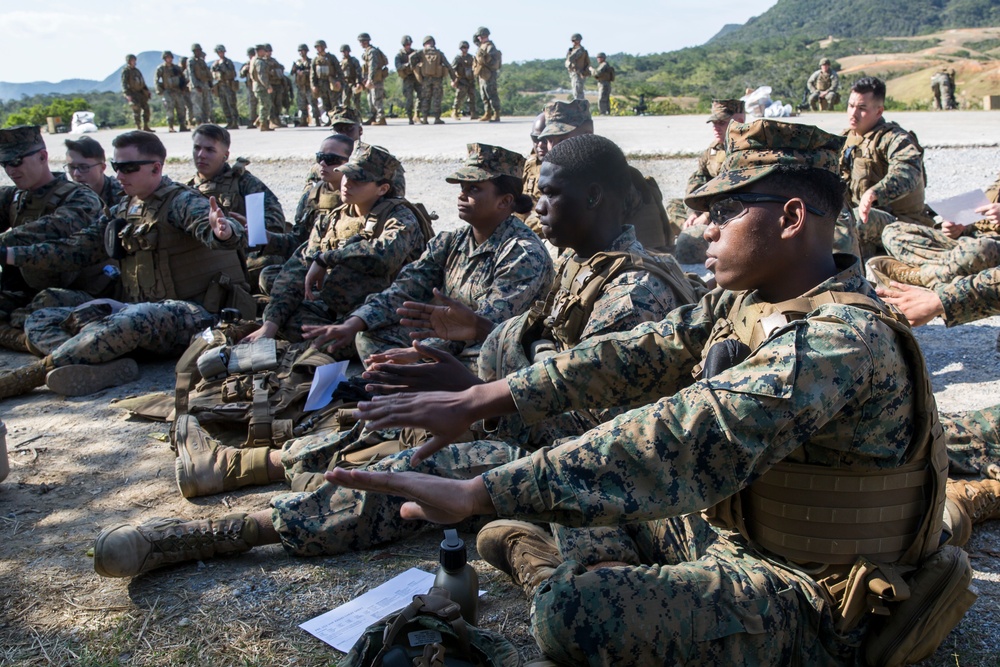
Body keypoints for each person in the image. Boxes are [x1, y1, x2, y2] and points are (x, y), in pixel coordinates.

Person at [324, 119, 987, 665]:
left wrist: (481, 491)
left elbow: (678, 434)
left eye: (723, 212)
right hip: (742, 531)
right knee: (584, 494)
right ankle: (577, 559)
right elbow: (635, 354)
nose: (701, 228)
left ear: (790, 217)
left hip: (815, 592)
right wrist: (487, 396)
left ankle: (555, 571)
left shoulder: (840, 340)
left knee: (569, 613)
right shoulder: (754, 303)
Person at [0, 131, 249, 399]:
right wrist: (9, 255)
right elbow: (76, 250)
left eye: (129, 168)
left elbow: (214, 228)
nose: (120, 175)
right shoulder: (123, 208)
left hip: (197, 316)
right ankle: (102, 361)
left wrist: (224, 231)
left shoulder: (181, 201)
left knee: (135, 317)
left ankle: (27, 377)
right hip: (134, 312)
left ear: (156, 168)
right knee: (42, 316)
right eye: (117, 167)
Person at [299, 143, 553, 370]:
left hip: (492, 349)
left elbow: (488, 324)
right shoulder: (451, 240)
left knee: (476, 360)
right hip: (448, 336)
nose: (462, 195)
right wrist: (354, 322)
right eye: (462, 187)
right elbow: (404, 288)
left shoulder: (521, 253)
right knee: (369, 335)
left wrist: (420, 352)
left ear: (505, 201)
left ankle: (415, 388)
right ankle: (406, 383)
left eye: (474, 188)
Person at [242, 141, 426, 351]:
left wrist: (327, 258)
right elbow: (297, 269)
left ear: (382, 189)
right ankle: (329, 341)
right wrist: (269, 326)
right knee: (283, 317)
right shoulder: (332, 218)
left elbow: (383, 257)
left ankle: (331, 343)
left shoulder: (401, 217)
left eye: (359, 179)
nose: (347, 183)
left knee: (366, 340)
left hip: (384, 312)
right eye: (346, 175)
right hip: (337, 307)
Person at [0, 126, 105, 352]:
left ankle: (67, 350)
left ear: (43, 156)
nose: (10, 169)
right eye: (4, 163)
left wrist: (4, 244)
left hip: (79, 293)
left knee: (38, 309)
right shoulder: (16, 197)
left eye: (16, 161)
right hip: (31, 291)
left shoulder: (79, 197)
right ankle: (26, 341)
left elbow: (47, 230)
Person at [532, 99, 674, 253]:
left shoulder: (612, 175)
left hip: (631, 259)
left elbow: (647, 248)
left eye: (561, 139)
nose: (552, 147)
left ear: (587, 133)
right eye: (549, 140)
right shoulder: (557, 171)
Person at [185, 124, 290, 285]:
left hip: (242, 256)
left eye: (209, 150)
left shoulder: (244, 183)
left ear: (225, 155)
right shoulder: (187, 190)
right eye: (197, 148)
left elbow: (275, 223)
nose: (201, 155)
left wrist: (250, 229)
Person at [840, 76, 932, 259]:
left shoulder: (894, 139)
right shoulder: (846, 138)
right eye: (851, 106)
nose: (853, 113)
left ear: (879, 111)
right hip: (865, 217)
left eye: (862, 108)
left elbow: (908, 171)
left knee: (852, 221)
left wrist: (876, 193)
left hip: (900, 223)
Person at [867, 174, 1000, 288]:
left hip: (986, 249)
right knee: (893, 232)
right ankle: (948, 274)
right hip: (969, 243)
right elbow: (980, 214)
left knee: (980, 250)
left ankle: (917, 277)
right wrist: (959, 228)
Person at [669, 99, 746, 264]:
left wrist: (705, 215)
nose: (716, 128)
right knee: (673, 205)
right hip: (707, 207)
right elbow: (698, 178)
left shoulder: (745, 151)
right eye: (714, 123)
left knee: (689, 246)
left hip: (730, 209)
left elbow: (733, 191)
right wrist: (693, 211)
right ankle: (691, 228)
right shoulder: (714, 148)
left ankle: (697, 233)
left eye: (721, 123)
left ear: (739, 121)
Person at [64, 136, 123, 210]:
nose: (76, 174)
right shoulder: (65, 196)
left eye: (84, 167)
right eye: (72, 167)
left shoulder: (121, 194)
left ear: (102, 167)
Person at [410, 36, 455, 125]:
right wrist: (454, 78)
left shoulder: (421, 52)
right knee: (437, 98)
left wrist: (413, 67)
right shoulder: (439, 53)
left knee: (426, 98)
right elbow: (448, 65)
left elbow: (411, 57)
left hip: (426, 79)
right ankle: (437, 118)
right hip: (437, 79)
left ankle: (425, 118)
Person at [311, 40, 344, 125]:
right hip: (321, 83)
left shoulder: (331, 57)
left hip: (331, 82)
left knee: (334, 102)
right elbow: (313, 74)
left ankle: (336, 119)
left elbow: (339, 71)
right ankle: (329, 119)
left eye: (319, 47)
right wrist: (314, 85)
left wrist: (339, 81)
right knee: (325, 102)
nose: (318, 49)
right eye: (317, 47)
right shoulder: (315, 60)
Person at [154, 51, 188, 133]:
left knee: (181, 109)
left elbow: (183, 78)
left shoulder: (176, 68)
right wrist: (160, 90)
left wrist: (183, 88)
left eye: (170, 57)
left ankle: (182, 126)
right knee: (170, 109)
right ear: (164, 59)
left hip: (178, 91)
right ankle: (170, 126)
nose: (169, 59)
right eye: (167, 57)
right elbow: (156, 80)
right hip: (168, 91)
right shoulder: (161, 69)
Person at [359, 33, 388, 126]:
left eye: (362, 41)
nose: (361, 43)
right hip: (371, 79)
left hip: (376, 79)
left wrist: (370, 79)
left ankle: (381, 118)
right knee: (370, 99)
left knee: (376, 98)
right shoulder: (368, 51)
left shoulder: (372, 52)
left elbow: (372, 66)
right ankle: (373, 117)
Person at [473, 27, 502, 122]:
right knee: (484, 95)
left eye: (480, 36)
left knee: (492, 94)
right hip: (482, 74)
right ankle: (487, 113)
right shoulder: (482, 46)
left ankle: (496, 114)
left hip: (489, 74)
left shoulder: (490, 47)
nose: (479, 38)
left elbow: (490, 61)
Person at [211, 45, 241, 130]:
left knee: (231, 104)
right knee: (224, 105)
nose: (220, 54)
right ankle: (229, 121)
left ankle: (234, 122)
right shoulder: (215, 63)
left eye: (222, 52)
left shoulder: (228, 62)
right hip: (220, 86)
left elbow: (232, 74)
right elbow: (213, 75)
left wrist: (223, 67)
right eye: (219, 52)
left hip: (228, 86)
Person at [120, 54, 152, 132]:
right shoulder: (126, 71)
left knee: (146, 109)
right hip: (132, 93)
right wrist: (127, 94)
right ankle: (138, 127)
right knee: (136, 110)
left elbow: (142, 82)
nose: (134, 62)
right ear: (129, 61)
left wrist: (147, 91)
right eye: (132, 61)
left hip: (141, 93)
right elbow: (124, 83)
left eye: (134, 60)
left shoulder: (137, 71)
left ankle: (146, 126)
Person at [289, 44, 316, 126]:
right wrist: (295, 70)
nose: (301, 52)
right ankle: (303, 121)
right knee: (301, 105)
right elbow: (292, 73)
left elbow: (313, 72)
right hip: (300, 87)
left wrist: (304, 72)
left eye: (303, 51)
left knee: (313, 103)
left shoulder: (311, 61)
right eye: (300, 51)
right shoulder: (297, 62)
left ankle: (316, 120)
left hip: (308, 86)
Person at [188, 44, 214, 125]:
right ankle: (198, 122)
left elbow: (207, 73)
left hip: (205, 85)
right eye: (197, 50)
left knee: (207, 105)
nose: (199, 52)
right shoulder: (191, 61)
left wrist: (210, 84)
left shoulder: (202, 61)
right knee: (197, 106)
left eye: (199, 50)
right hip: (197, 87)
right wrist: (196, 86)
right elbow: (191, 74)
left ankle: (205, 121)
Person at [451, 41, 477, 120]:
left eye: (465, 48)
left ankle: (473, 113)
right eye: (462, 48)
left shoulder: (471, 57)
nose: (464, 49)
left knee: (472, 97)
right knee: (459, 97)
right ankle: (455, 112)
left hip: (470, 80)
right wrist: (453, 80)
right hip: (461, 80)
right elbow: (452, 69)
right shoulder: (458, 58)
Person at [395, 36, 419, 125]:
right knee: (409, 99)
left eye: (409, 44)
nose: (408, 46)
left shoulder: (416, 53)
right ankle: (410, 117)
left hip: (417, 77)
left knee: (421, 96)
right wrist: (407, 65)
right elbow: (398, 66)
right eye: (406, 45)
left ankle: (418, 115)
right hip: (407, 78)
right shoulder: (399, 55)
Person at [250, 44, 273, 132]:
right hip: (261, 87)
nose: (265, 52)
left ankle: (259, 121)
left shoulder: (253, 60)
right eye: (264, 50)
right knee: (265, 105)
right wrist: (268, 86)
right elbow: (261, 76)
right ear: (260, 51)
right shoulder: (259, 62)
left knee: (264, 104)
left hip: (256, 86)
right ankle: (263, 124)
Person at [565, 33, 590, 101]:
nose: (574, 42)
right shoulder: (571, 50)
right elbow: (567, 61)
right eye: (572, 41)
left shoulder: (581, 51)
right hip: (573, 73)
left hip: (579, 73)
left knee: (578, 91)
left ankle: (580, 108)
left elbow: (571, 58)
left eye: (575, 40)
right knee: (575, 91)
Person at [340, 44, 363, 115]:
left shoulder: (354, 60)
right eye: (343, 52)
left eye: (346, 51)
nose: (344, 53)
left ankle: (357, 116)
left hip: (354, 83)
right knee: (345, 101)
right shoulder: (341, 62)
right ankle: (346, 116)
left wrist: (358, 82)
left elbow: (358, 72)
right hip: (345, 83)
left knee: (356, 101)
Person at [239, 47, 258, 130]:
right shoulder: (246, 64)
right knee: (252, 104)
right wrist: (244, 70)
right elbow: (241, 75)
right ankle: (252, 120)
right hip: (250, 86)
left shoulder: (258, 62)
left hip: (259, 86)